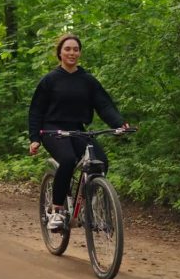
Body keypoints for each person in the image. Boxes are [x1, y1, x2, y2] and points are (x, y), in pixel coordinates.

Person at [28, 33, 130, 230]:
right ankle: (57, 211)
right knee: (67, 160)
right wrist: (34, 138)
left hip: (77, 130)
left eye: (75, 49)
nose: (72, 53)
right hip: (52, 129)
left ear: (80, 53)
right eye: (67, 49)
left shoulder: (88, 80)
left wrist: (119, 123)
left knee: (100, 161)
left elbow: (104, 105)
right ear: (59, 53)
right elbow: (36, 111)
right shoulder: (49, 80)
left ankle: (86, 207)